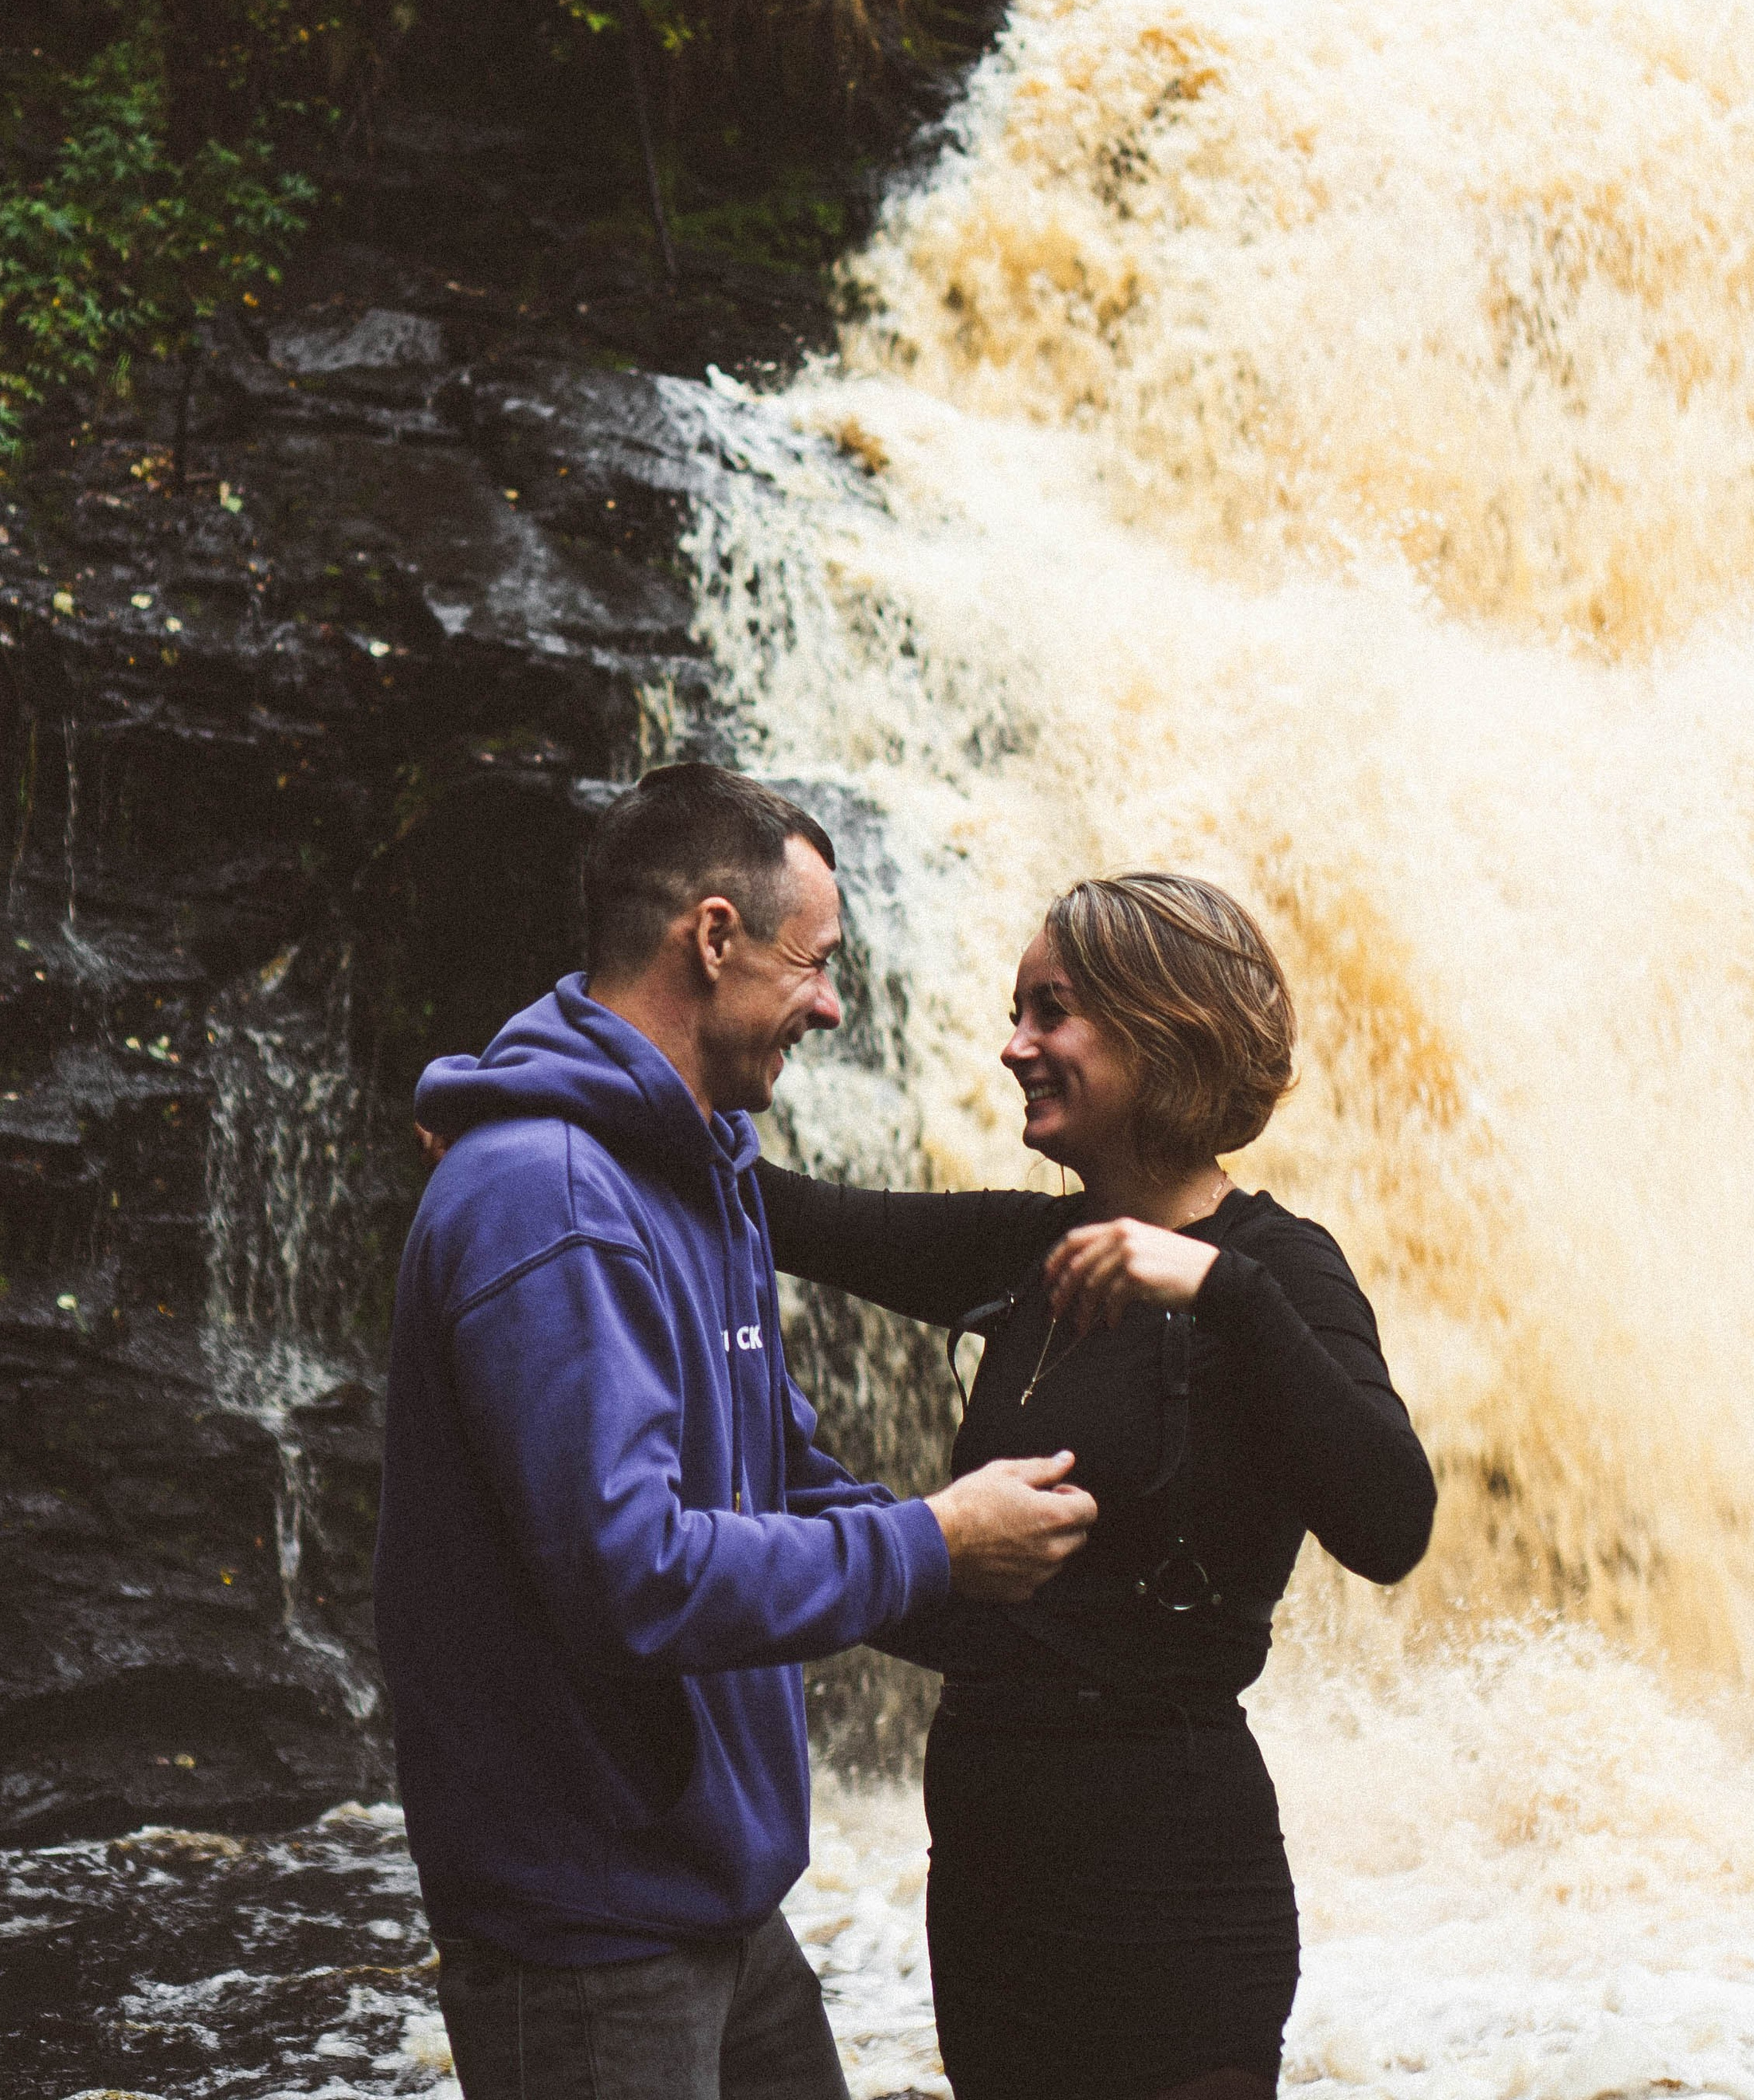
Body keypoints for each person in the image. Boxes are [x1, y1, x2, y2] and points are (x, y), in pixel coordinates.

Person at [374, 763, 1097, 2100]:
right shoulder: (554, 1202)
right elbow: (634, 1577)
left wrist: (1025, 1613)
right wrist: (936, 1541)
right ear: (712, 938)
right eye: (813, 963)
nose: (832, 1003)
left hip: (712, 1896)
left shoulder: (699, 1170)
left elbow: (780, 1476)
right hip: (586, 1932)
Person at [755, 869, 1438, 2100]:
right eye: (1016, 1011)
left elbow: (1392, 1524)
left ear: (1160, 1025)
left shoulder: (1279, 1269)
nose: (1013, 1045)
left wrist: (1216, 1289)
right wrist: (516, 1102)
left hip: (1171, 1888)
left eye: (1050, 1012)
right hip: (990, 1877)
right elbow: (772, 1212)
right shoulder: (1027, 1254)